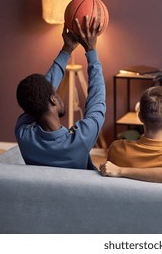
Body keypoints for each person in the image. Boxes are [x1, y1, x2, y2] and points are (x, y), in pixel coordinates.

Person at [15, 16, 105, 170]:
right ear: (53, 99)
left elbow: (40, 94)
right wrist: (90, 50)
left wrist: (68, 49)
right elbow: (97, 99)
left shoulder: (23, 134)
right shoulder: (81, 140)